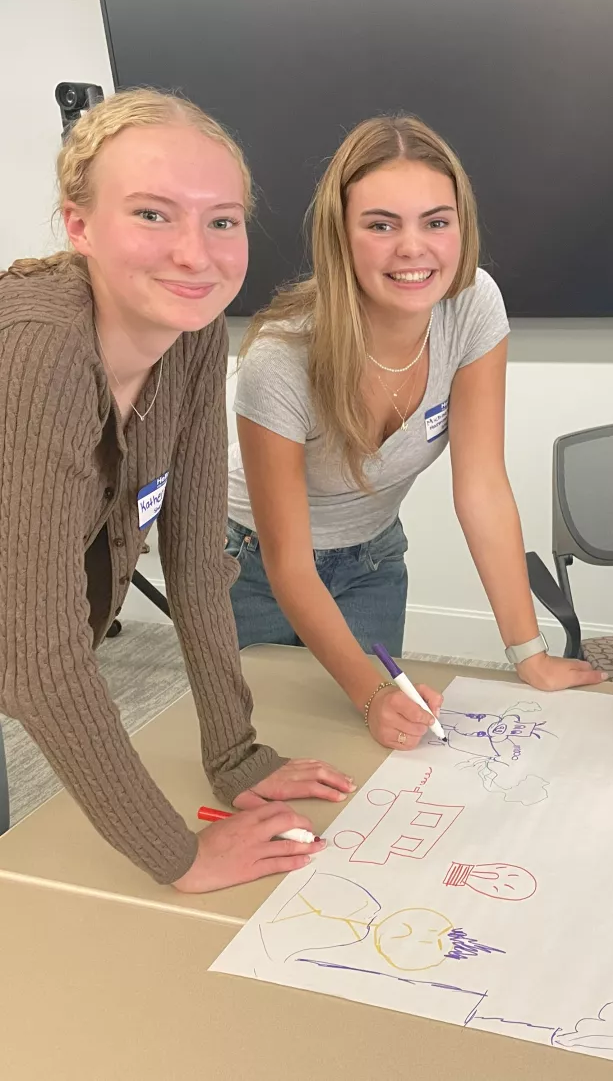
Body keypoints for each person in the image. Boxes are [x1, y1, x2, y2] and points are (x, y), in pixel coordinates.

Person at [0, 89, 354, 892]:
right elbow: (36, 662)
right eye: (154, 214)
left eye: (222, 220)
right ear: (79, 225)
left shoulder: (191, 336)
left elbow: (196, 562)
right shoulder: (39, 355)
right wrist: (178, 853)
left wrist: (234, 756)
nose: (197, 254)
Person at [227, 116, 603, 752]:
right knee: (268, 749)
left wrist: (527, 652)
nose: (414, 248)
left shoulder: (473, 305)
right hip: (251, 565)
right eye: (380, 225)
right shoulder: (281, 358)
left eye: (436, 221)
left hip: (372, 558)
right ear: (340, 236)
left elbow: (481, 487)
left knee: (368, 752)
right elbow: (288, 561)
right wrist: (371, 690)